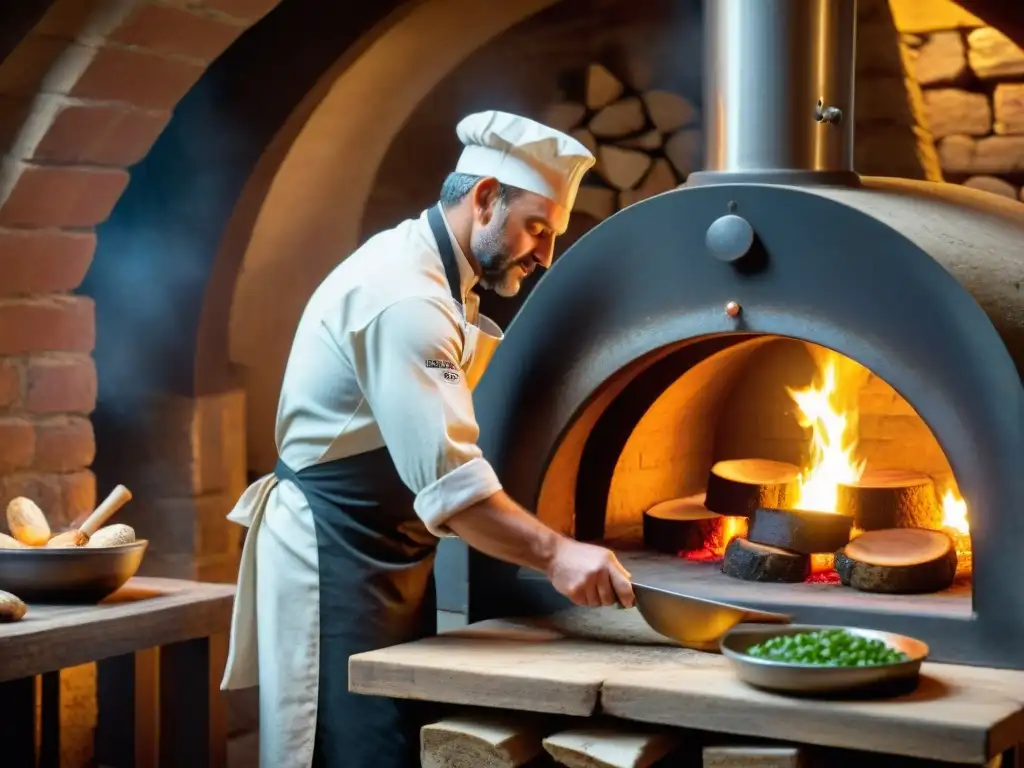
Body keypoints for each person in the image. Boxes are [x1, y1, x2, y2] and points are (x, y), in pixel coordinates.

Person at [219, 110, 635, 768]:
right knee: (349, 750)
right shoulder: (405, 298)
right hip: (335, 554)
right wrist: (558, 554)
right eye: (537, 228)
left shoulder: (442, 276)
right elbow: (454, 492)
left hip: (386, 554)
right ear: (485, 198)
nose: (546, 254)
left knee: (390, 740)